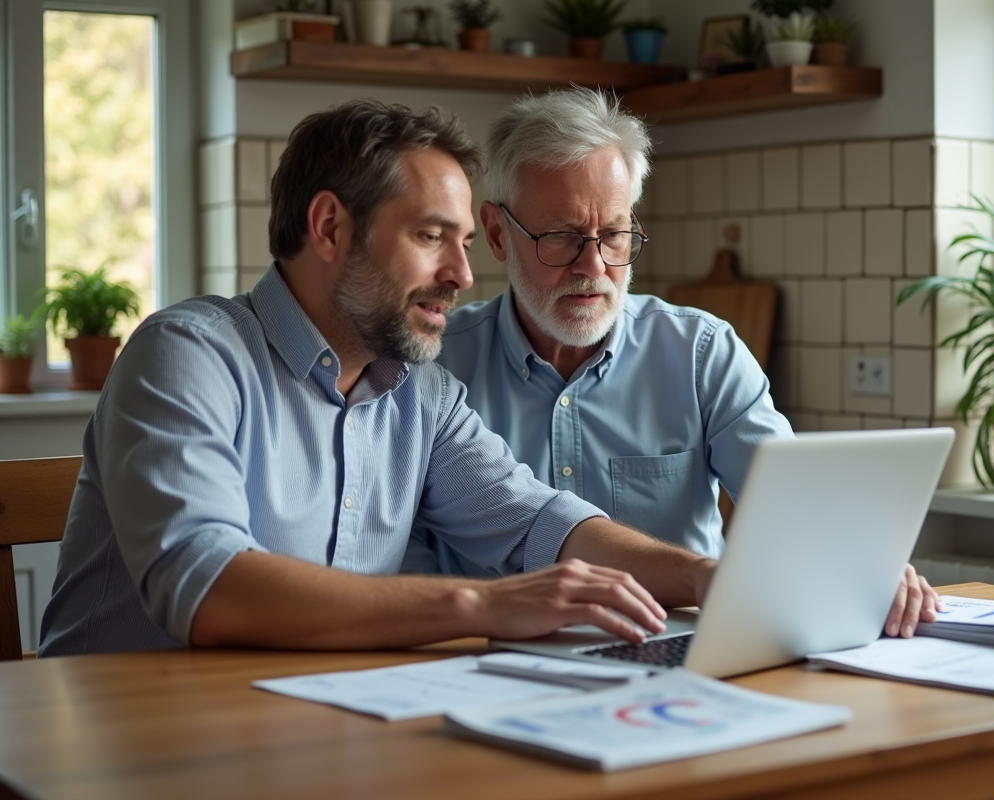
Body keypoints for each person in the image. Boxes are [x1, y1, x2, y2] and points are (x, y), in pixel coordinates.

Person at [38, 99, 720, 657]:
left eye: (463, 242)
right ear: (330, 227)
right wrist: (479, 604)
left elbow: (540, 523)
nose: (462, 274)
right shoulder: (188, 355)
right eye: (430, 236)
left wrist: (703, 577)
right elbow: (208, 589)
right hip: (130, 742)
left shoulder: (423, 394)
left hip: (310, 729)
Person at [402, 88, 938, 640]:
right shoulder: (430, 369)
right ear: (497, 233)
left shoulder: (702, 354)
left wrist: (855, 556)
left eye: (614, 234)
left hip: (682, 649)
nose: (594, 266)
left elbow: (793, 509)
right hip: (486, 661)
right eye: (561, 237)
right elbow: (406, 567)